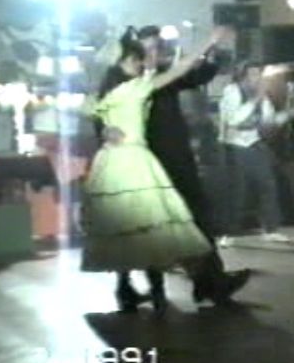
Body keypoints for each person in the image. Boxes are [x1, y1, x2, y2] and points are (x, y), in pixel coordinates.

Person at [81, 27, 231, 313]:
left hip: (125, 161)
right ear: (130, 58)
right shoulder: (138, 85)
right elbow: (181, 70)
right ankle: (147, 288)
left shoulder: (124, 84)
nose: (147, 58)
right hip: (137, 160)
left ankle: (170, 287)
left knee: (138, 224)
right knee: (144, 224)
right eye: (143, 53)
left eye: (153, 49)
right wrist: (208, 42)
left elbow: (93, 109)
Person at [217, 61, 290, 246]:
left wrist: (286, 115)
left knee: (267, 184)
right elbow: (234, 120)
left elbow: (267, 121)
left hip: (254, 143)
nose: (257, 79)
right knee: (237, 191)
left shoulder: (261, 96)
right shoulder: (232, 91)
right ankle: (229, 234)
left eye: (259, 75)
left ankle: (271, 229)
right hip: (234, 145)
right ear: (243, 77)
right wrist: (255, 100)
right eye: (253, 75)